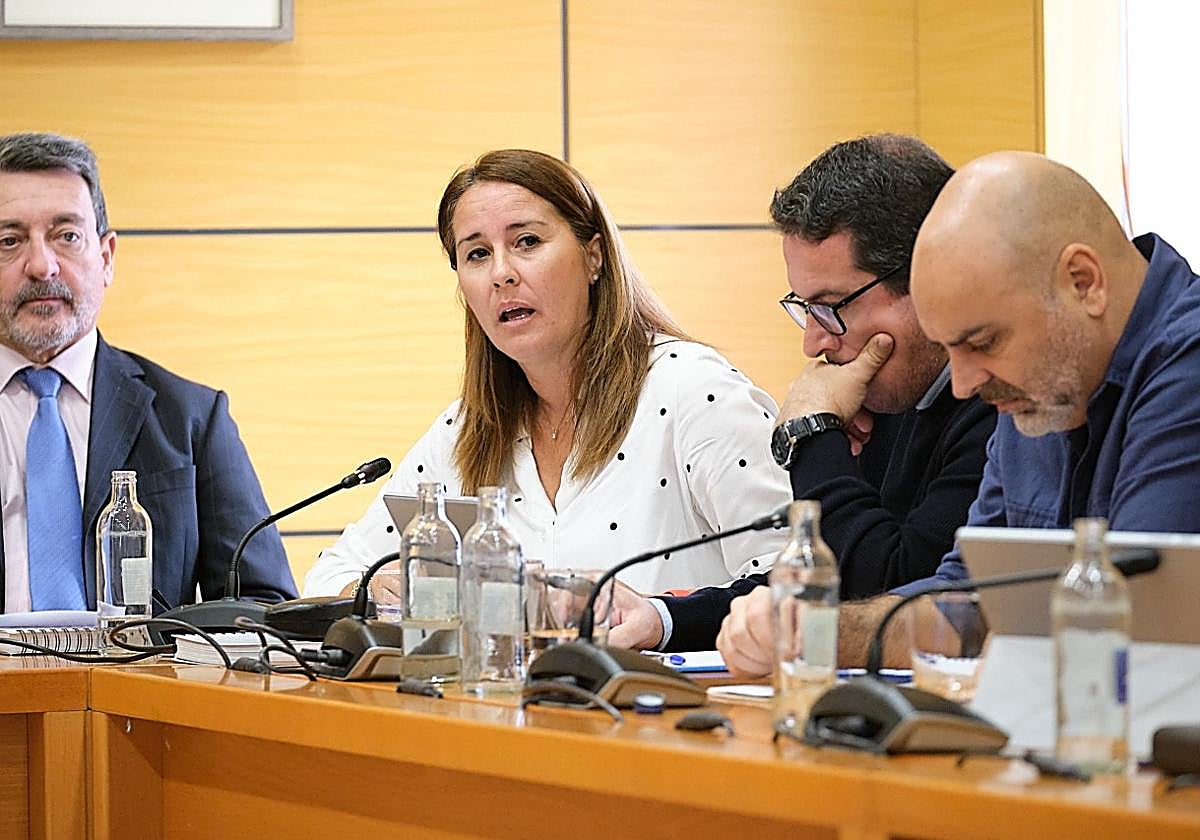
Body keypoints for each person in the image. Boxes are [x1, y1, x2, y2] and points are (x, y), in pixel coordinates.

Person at [717, 150, 1200, 676]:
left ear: (1083, 282)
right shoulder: (1038, 383)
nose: (966, 384)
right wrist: (809, 631)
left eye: (983, 342)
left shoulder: (1185, 367)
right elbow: (964, 606)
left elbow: (1135, 621)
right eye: (951, 348)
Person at [304, 149, 792, 598]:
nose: (501, 273)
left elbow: (791, 581)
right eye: (477, 254)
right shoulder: (464, 431)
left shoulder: (694, 392)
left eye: (527, 242)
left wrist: (665, 621)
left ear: (593, 256)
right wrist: (370, 591)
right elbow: (330, 574)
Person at [608, 135, 995, 652]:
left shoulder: (999, 404)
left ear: (927, 277)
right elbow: (816, 588)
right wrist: (663, 620)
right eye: (805, 308)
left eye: (831, 306)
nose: (814, 342)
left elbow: (889, 596)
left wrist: (811, 433)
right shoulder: (883, 393)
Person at [0, 131, 296, 613]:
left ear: (106, 258)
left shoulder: (191, 417)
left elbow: (261, 604)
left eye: (67, 236)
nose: (42, 265)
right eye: (9, 241)